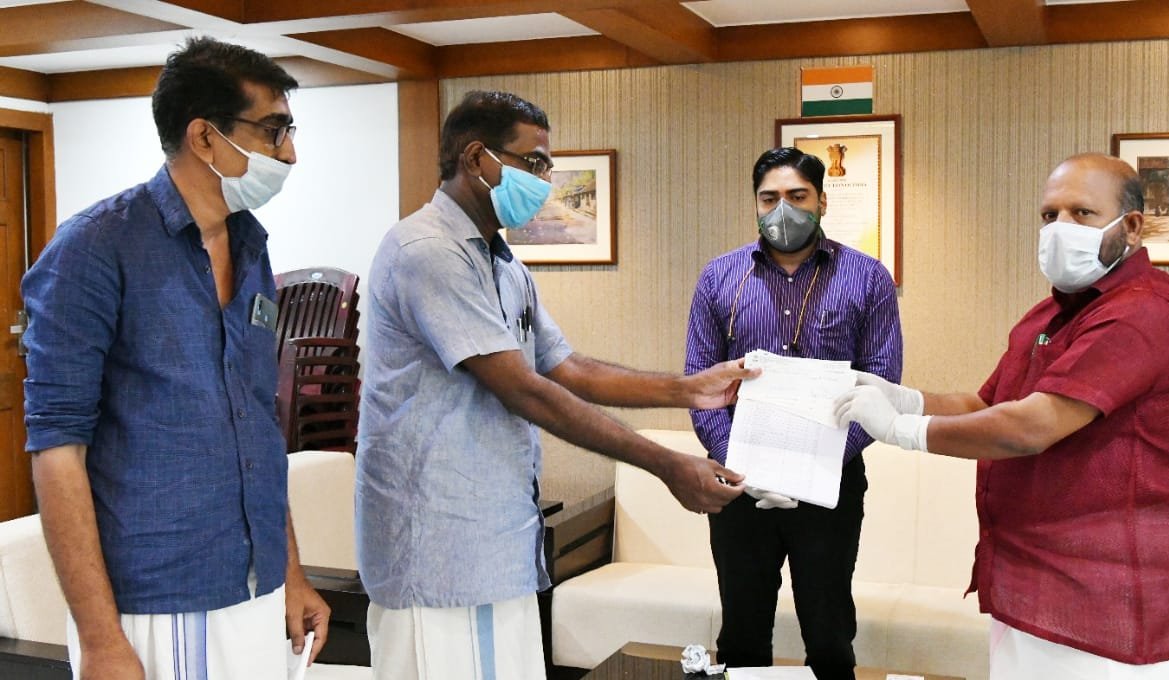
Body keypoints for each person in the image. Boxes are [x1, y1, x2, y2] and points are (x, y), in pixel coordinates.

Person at [355, 90, 755, 680]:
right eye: (534, 162)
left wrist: (690, 389)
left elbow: (567, 367)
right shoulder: (427, 251)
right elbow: (524, 390)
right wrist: (666, 463)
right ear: (477, 158)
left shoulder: (503, 263)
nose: (544, 180)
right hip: (438, 546)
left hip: (496, 541)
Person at [22, 37, 330, 680]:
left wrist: (291, 572)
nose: (289, 153)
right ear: (205, 136)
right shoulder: (95, 249)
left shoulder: (250, 246)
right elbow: (57, 450)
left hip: (256, 586)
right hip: (160, 598)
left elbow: (254, 426)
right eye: (273, 130)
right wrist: (100, 639)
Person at [834, 153, 1169, 680]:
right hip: (1031, 587)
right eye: (1050, 215)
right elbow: (987, 405)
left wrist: (901, 429)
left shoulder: (1143, 312)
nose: (1060, 229)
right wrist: (904, 398)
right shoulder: (1051, 314)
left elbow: (1034, 425)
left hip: (1106, 607)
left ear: (1132, 227)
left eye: (1082, 213)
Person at [684, 147, 902, 680]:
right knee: (741, 632)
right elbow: (700, 384)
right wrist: (740, 464)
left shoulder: (868, 278)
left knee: (829, 635)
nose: (782, 209)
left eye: (797, 196)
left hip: (830, 485)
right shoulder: (719, 277)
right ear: (756, 204)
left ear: (822, 201)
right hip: (739, 486)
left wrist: (814, 465)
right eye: (769, 198)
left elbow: (882, 382)